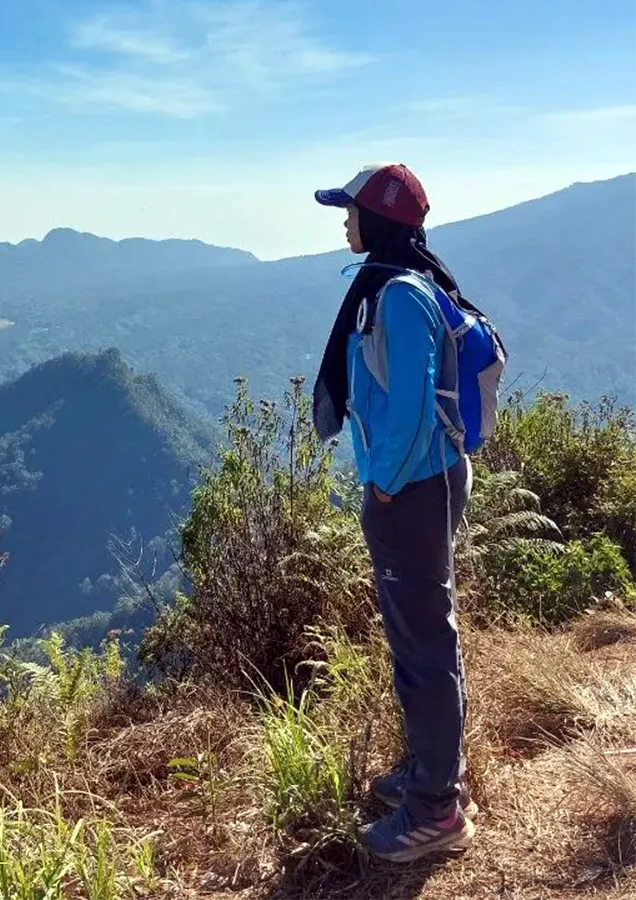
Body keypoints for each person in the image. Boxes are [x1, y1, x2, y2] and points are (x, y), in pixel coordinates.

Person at [312, 162, 476, 863]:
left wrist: (382, 483)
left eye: (349, 210)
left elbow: (409, 404)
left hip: (411, 488)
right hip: (417, 484)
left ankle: (436, 811)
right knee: (420, 638)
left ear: (376, 219)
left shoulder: (400, 295)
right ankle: (432, 776)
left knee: (423, 647)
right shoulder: (396, 284)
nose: (343, 220)